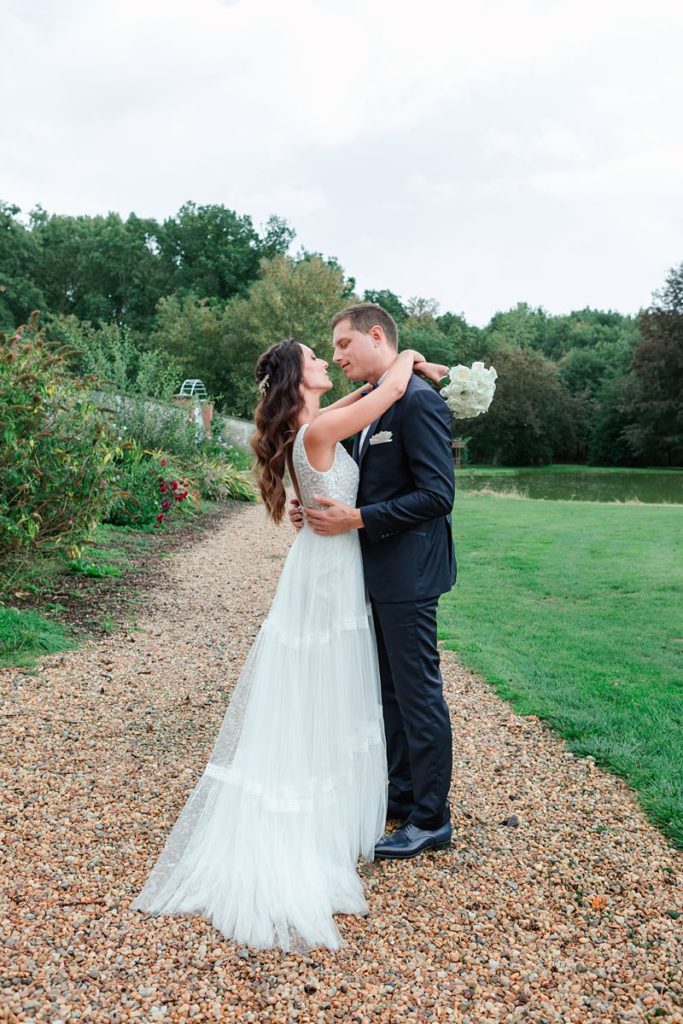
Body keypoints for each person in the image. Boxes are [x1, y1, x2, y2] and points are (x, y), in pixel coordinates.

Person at [132, 337, 446, 952]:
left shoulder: (313, 426)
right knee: (334, 682)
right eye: (316, 356)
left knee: (327, 682)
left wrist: (396, 371)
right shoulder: (322, 428)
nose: (328, 361)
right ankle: (337, 808)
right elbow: (385, 393)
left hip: (322, 563)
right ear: (298, 377)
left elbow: (363, 399)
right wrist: (408, 358)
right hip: (331, 571)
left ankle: (362, 798)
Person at [290, 303, 456, 860]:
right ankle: (404, 796)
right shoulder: (373, 403)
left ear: (375, 335)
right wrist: (318, 508)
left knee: (417, 693)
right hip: (371, 572)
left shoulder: (418, 402)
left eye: (342, 344)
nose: (336, 357)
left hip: (408, 573)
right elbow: (364, 481)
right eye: (330, 350)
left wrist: (355, 518)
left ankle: (432, 819)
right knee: (389, 695)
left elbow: (438, 496)